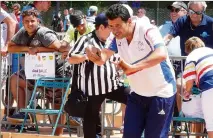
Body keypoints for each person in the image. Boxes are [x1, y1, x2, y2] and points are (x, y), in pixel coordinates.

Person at [86, 4, 176, 138]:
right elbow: (102, 58)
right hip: (137, 94)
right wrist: (93, 54)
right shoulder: (116, 36)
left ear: (129, 21)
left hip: (161, 93)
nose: (115, 30)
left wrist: (133, 68)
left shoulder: (147, 29)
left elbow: (161, 53)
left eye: (118, 25)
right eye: (111, 26)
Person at [6, 9, 69, 136]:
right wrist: (28, 49)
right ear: (23, 23)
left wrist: (39, 49)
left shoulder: (44, 33)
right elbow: (10, 47)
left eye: (32, 21)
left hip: (56, 74)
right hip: (35, 73)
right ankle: (24, 113)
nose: (30, 24)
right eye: (27, 21)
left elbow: (59, 47)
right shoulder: (22, 32)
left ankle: (58, 134)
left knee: (57, 105)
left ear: (38, 21)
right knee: (15, 79)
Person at [67, 13, 130, 138]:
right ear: (101, 27)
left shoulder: (113, 40)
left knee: (134, 99)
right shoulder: (85, 40)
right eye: (110, 27)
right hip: (93, 88)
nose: (113, 30)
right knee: (90, 117)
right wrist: (87, 56)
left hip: (113, 85)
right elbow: (70, 58)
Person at [183, 36, 213, 138]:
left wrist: (187, 93)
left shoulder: (191, 56)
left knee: (211, 125)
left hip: (210, 86)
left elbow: (189, 82)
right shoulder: (210, 50)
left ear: (188, 49)